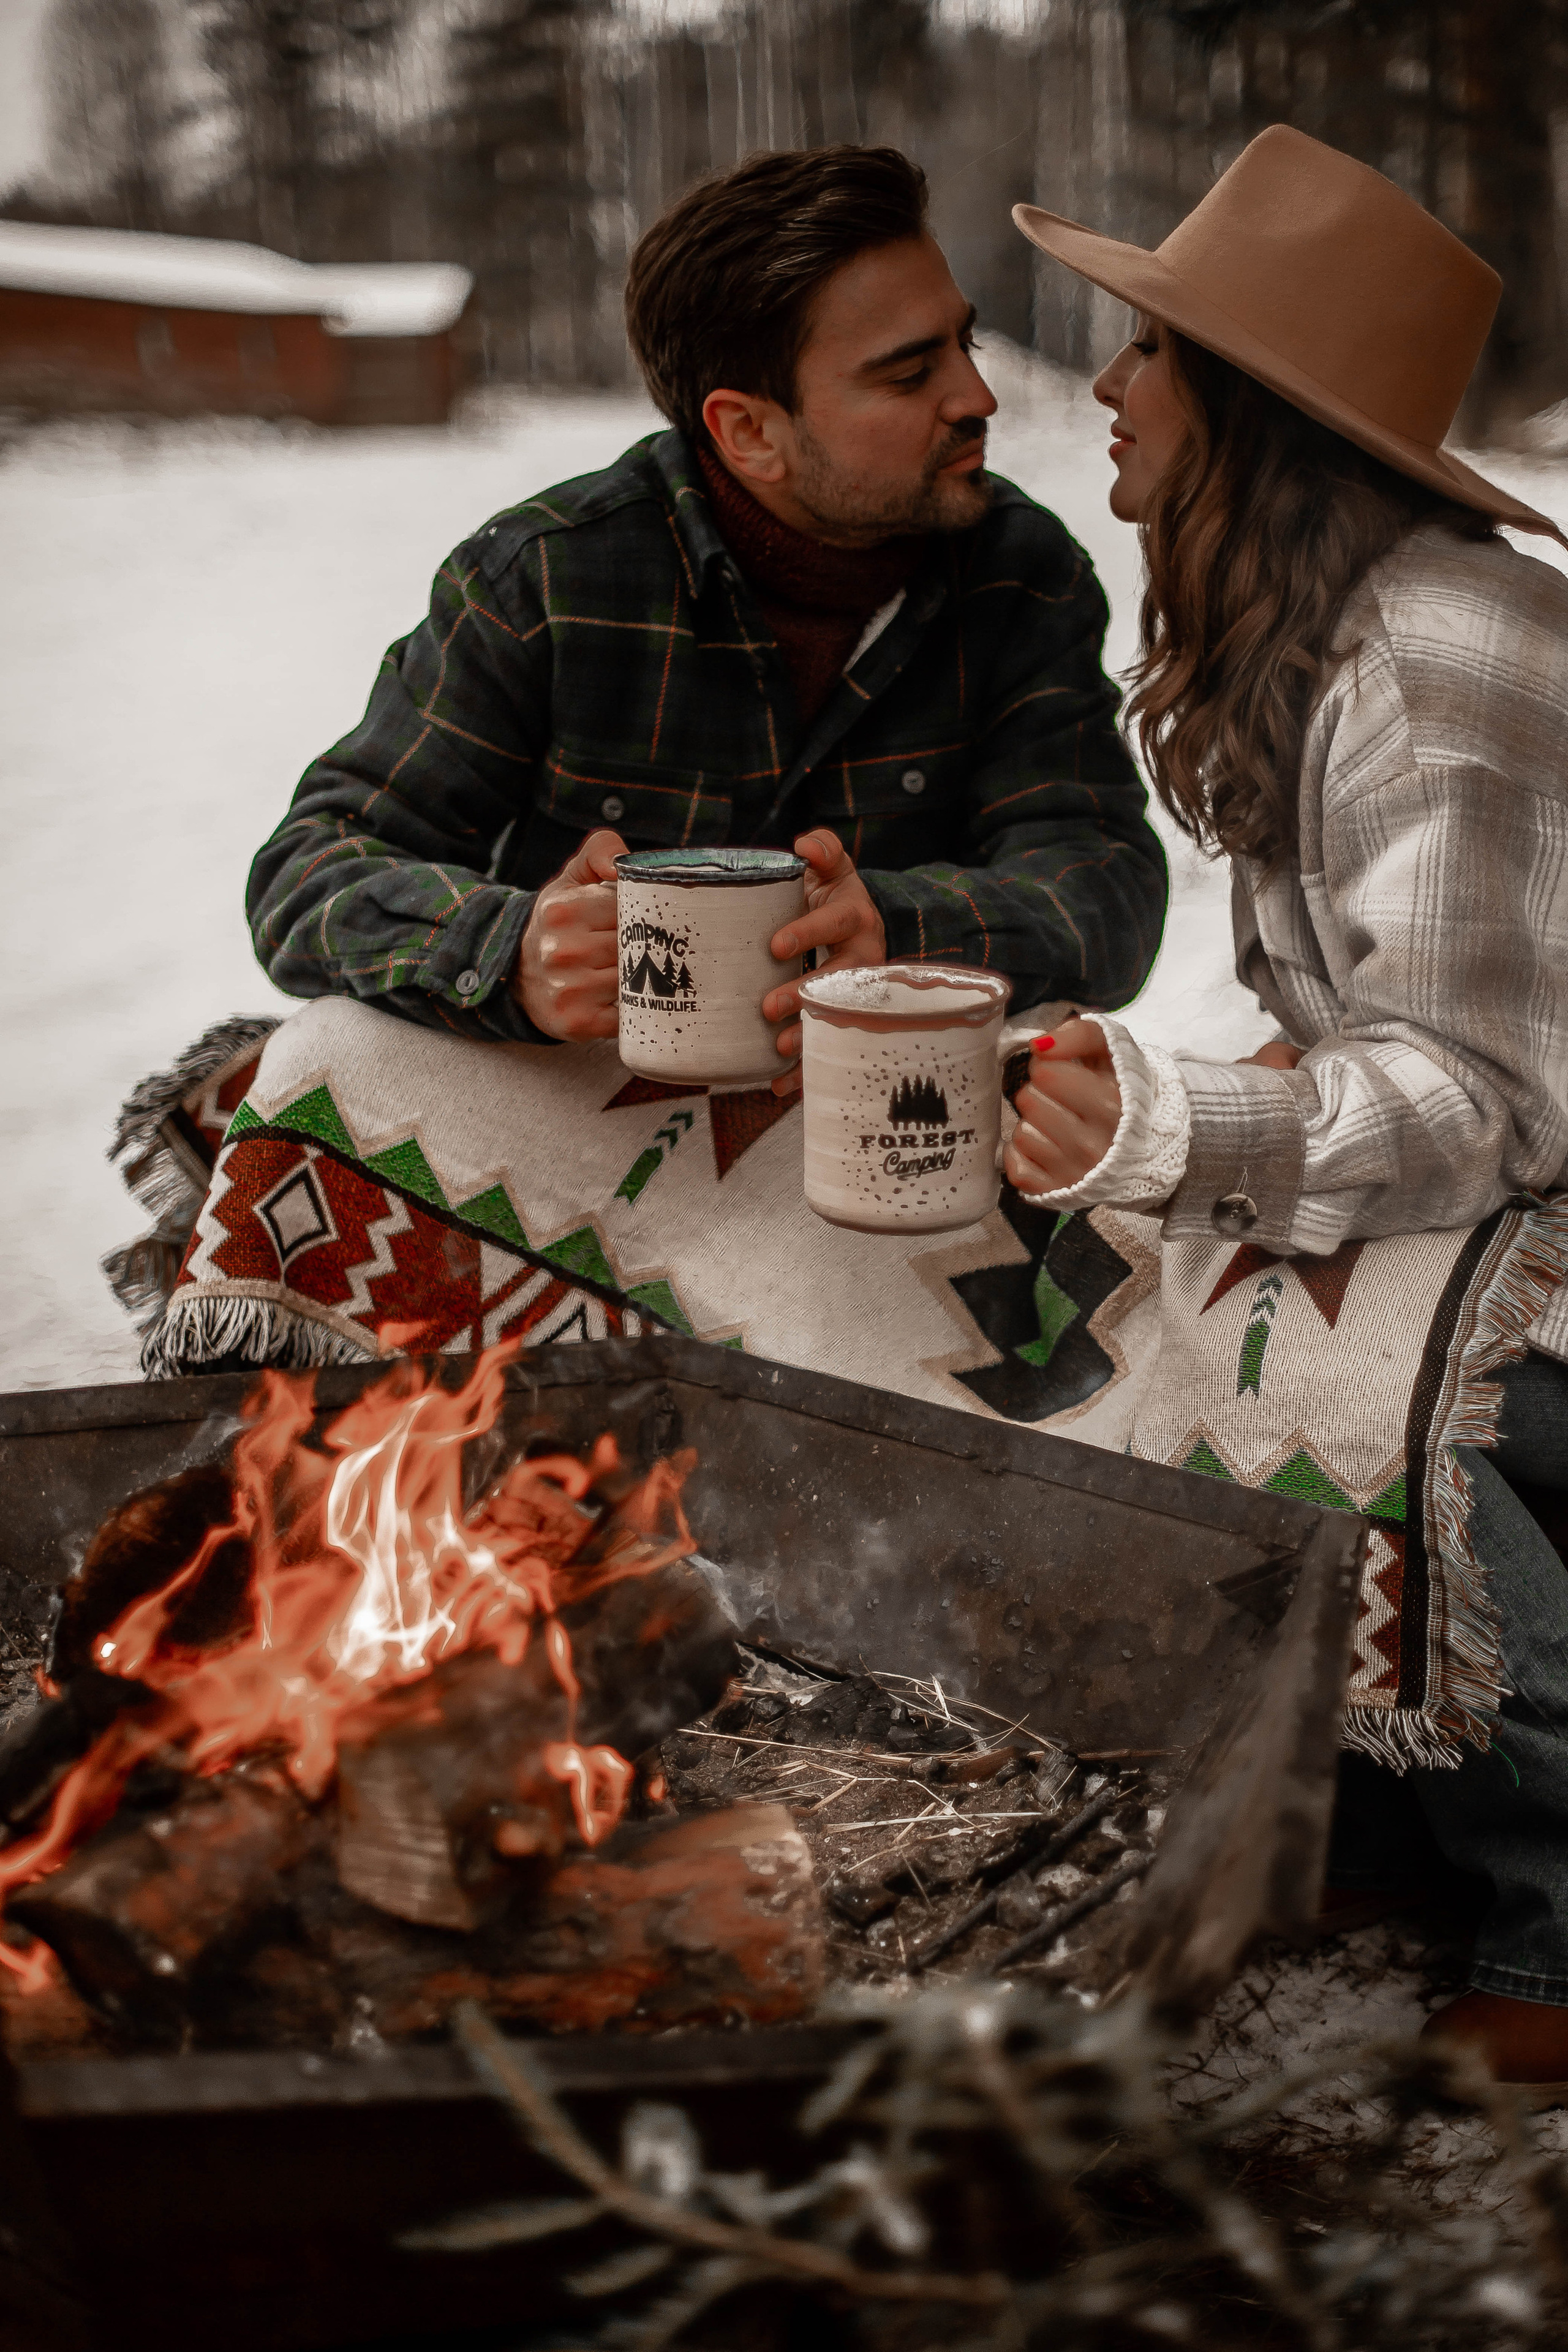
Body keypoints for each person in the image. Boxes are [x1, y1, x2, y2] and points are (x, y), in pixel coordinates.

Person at [1008, 126, 1568, 2091]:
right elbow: (1375, 1025)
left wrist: (1180, 1135)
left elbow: (1479, 1098)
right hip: (1541, 1183)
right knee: (1184, 1287)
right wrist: (1160, 1130)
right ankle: (1395, 1811)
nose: (1104, 384)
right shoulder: (1330, 631)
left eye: (1150, 350)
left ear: (1248, 407)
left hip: (1551, 1203)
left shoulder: (1433, 649)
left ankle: (1562, 1915)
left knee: (1331, 1345)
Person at [246, 145, 1167, 1094]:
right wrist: (511, 949)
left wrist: (897, 927)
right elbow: (308, 872)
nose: (978, 398)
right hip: (569, 1112)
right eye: (908, 374)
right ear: (749, 433)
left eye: (963, 344)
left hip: (881, 1120)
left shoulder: (1020, 575)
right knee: (317, 1064)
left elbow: (1108, 888)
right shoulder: (547, 581)